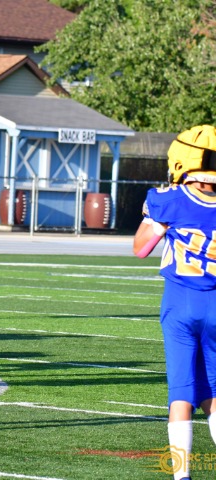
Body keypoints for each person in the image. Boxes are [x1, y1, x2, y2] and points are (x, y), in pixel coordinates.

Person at [133, 124, 216, 480]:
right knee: (213, 391)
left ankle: (182, 475)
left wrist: (157, 223)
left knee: (181, 392)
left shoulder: (167, 199)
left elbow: (140, 249)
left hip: (180, 304)